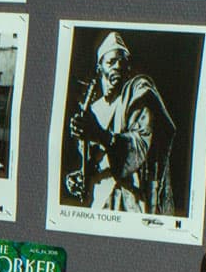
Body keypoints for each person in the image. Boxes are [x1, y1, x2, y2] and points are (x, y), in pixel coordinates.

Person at [65, 32, 180, 214]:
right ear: (99, 68)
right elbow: (97, 161)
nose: (117, 66)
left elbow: (141, 146)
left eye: (122, 61)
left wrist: (99, 134)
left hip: (130, 201)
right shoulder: (93, 109)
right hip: (98, 201)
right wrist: (81, 176)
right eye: (111, 62)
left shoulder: (137, 96)